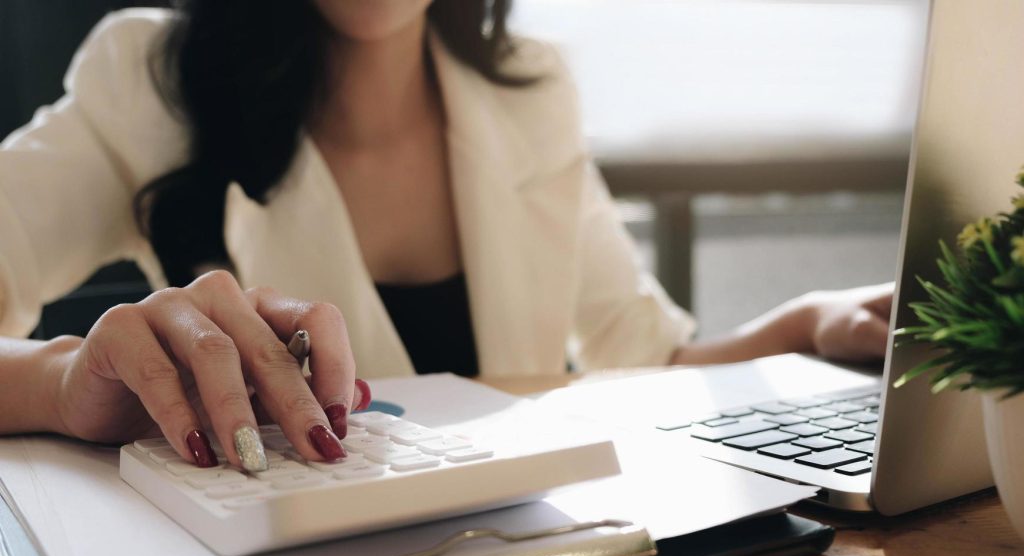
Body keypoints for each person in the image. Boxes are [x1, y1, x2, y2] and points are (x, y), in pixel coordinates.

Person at [0, 0, 893, 473]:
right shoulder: (149, 78)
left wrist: (804, 326)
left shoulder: (530, 91)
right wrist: (61, 383)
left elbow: (642, 358)